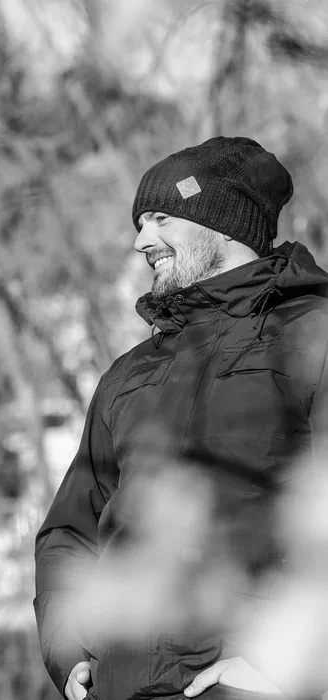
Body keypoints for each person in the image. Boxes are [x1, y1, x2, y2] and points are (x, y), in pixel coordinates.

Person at [34, 136, 328, 700]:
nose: (141, 239)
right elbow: (70, 529)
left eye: (161, 218)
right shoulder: (128, 374)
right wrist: (68, 649)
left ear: (226, 226)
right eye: (140, 222)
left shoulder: (312, 339)